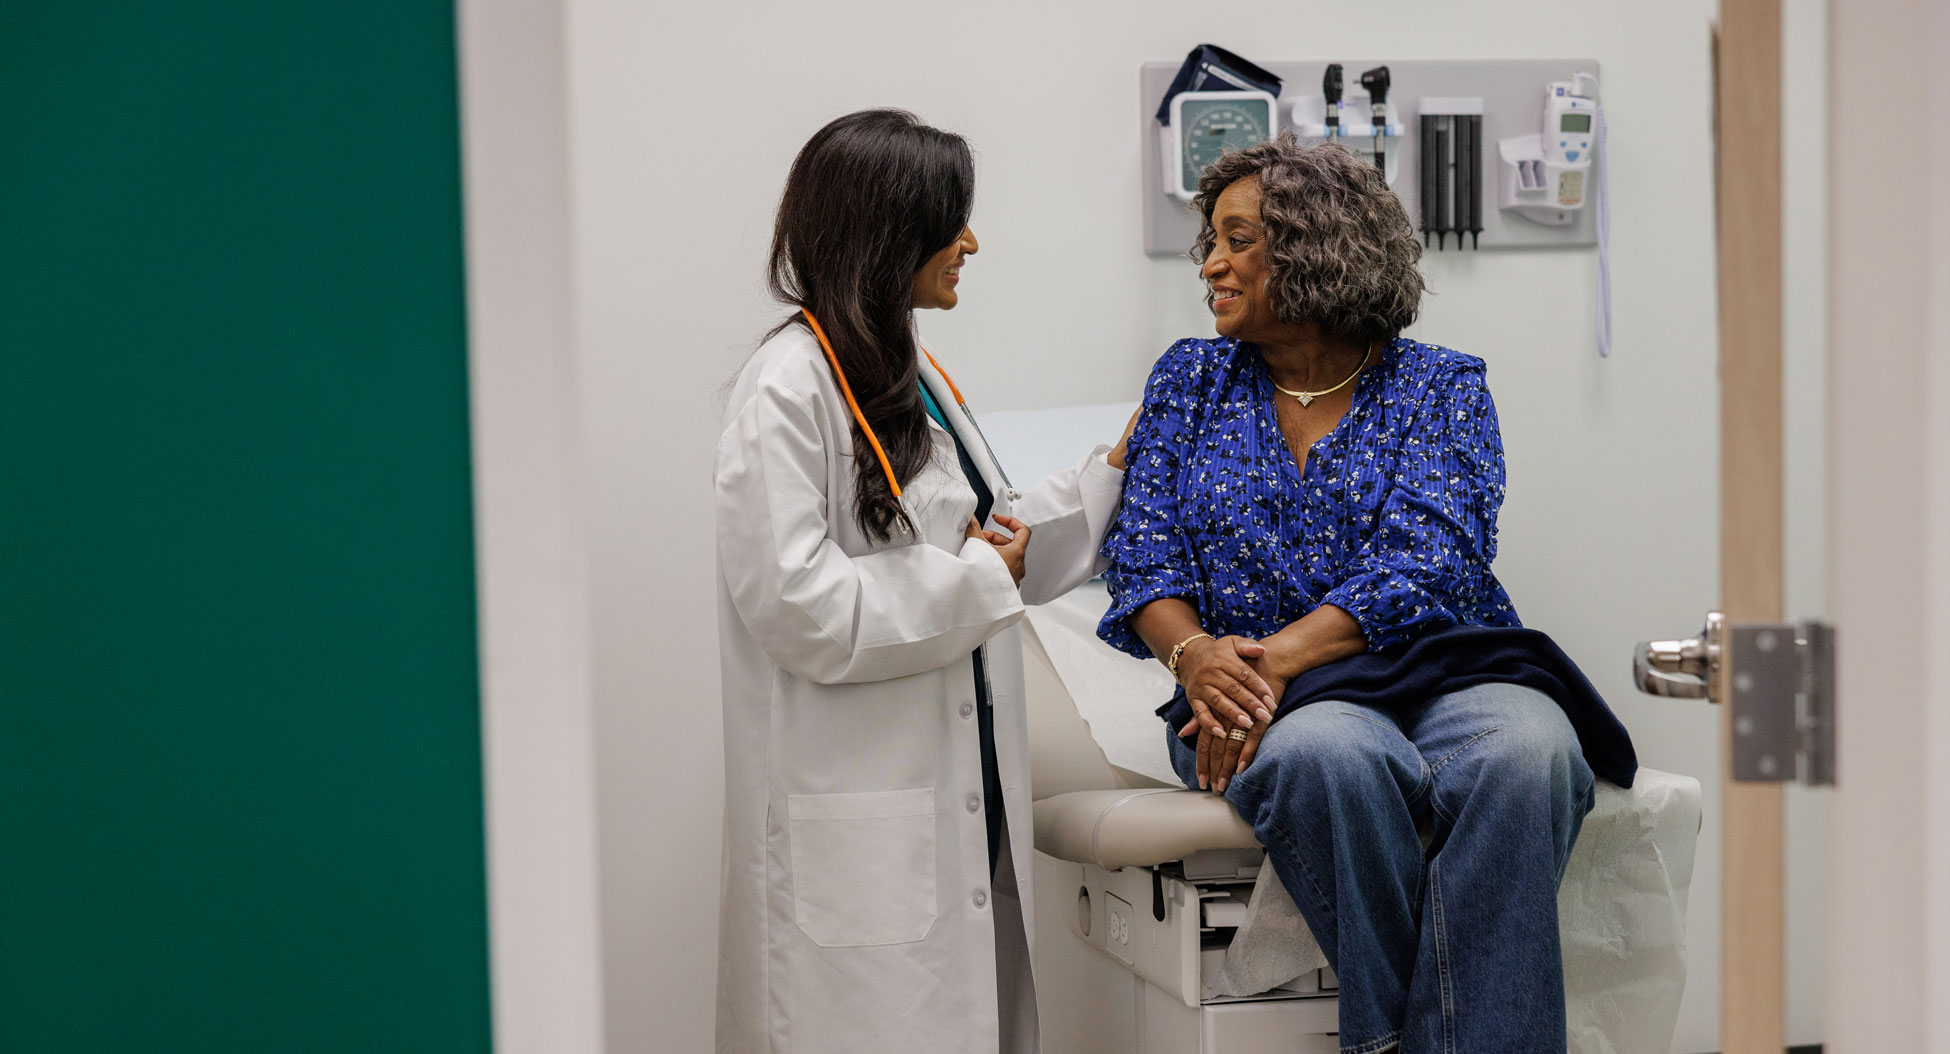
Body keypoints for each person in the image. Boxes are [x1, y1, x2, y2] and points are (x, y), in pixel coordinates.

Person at [1098, 134, 1614, 1054]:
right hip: (1277, 704)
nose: (1211, 263)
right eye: (1209, 242)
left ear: (1317, 246)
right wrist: (1197, 656)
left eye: (1238, 238)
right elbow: (1143, 558)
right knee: (1330, 758)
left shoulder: (1441, 386)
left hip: (1444, 670)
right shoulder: (1189, 379)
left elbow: (1432, 558)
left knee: (1529, 753)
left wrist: (1262, 666)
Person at [714, 109, 1131, 1054]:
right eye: (952, 220)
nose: (970, 242)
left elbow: (993, 538)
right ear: (886, 230)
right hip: (861, 842)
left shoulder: (908, 370)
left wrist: (1118, 468)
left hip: (953, 812)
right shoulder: (788, 387)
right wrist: (982, 572)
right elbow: (800, 608)